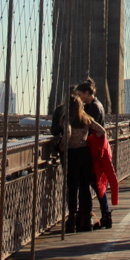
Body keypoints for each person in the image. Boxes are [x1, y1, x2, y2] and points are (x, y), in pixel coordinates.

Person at [53, 92, 105, 232]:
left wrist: (62, 146)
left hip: (72, 155)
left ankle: (72, 219)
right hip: (85, 154)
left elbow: (68, 132)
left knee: (72, 187)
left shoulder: (66, 118)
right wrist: (91, 140)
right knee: (84, 187)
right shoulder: (86, 118)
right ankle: (86, 220)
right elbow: (101, 130)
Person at [88, 126, 119, 228]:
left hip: (92, 168)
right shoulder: (103, 146)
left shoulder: (96, 142)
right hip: (96, 169)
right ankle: (106, 215)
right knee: (100, 190)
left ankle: (87, 216)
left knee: (91, 189)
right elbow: (113, 178)